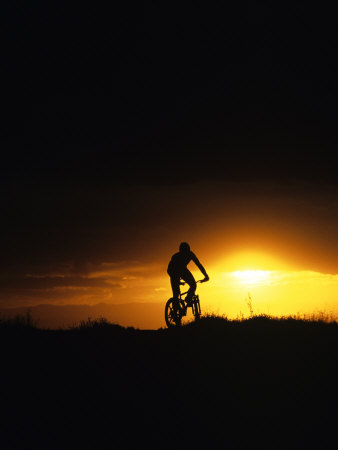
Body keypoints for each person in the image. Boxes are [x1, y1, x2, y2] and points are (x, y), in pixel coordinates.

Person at [167, 242, 209, 307]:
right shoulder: (176, 256)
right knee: (176, 293)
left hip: (183, 270)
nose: (185, 253)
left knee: (193, 285)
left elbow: (199, 265)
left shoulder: (190, 254)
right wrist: (176, 281)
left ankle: (188, 299)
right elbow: (169, 270)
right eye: (184, 252)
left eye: (186, 251)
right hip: (173, 272)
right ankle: (175, 309)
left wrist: (206, 275)